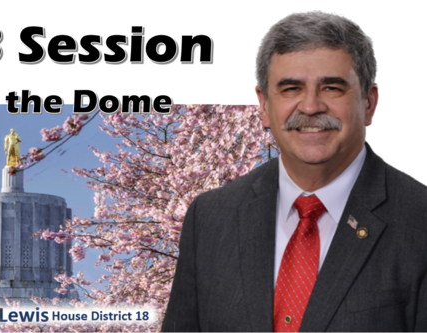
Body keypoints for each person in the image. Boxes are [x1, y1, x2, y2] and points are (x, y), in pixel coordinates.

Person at [162, 11, 427, 332]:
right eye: (291, 89)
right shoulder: (210, 218)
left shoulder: (419, 220)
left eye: (332, 88)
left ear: (369, 103)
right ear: (263, 106)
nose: (311, 106)